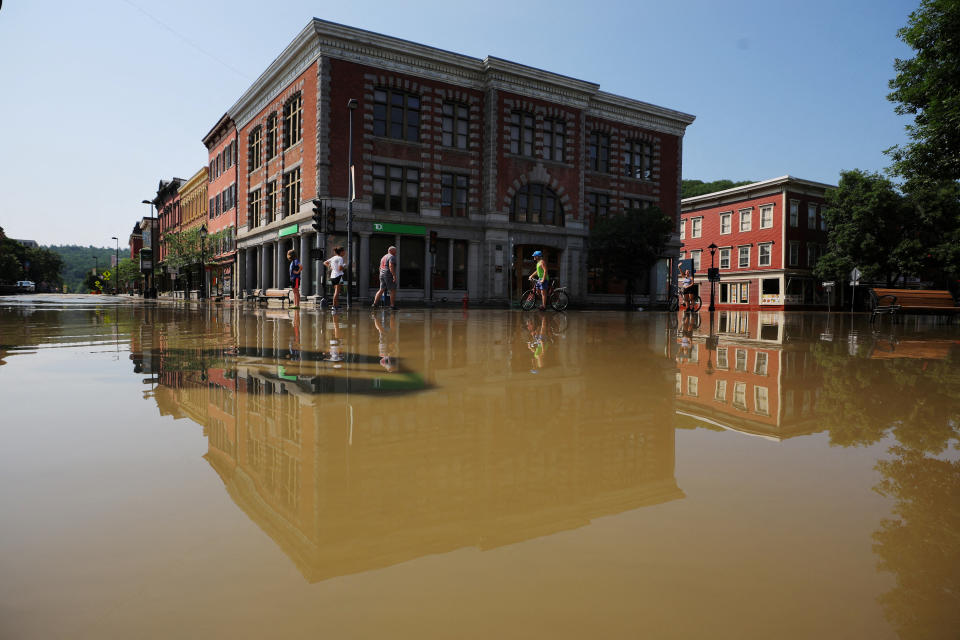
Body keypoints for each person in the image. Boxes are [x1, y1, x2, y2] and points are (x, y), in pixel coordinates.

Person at [372, 245, 398, 310]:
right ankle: (392, 306)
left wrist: (381, 274)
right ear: (391, 251)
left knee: (381, 289)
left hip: (382, 274)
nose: (396, 252)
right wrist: (394, 275)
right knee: (392, 290)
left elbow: (380, 267)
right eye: (395, 251)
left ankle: (374, 304)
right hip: (388, 274)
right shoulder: (392, 257)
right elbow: (391, 266)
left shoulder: (383, 257)